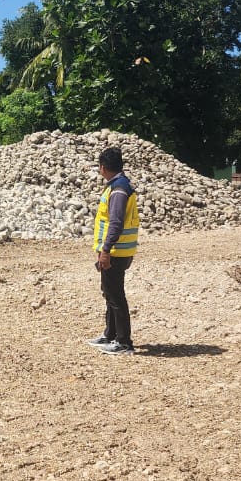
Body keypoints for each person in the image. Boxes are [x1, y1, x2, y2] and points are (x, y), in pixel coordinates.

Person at [86, 147, 139, 355]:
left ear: (102, 167)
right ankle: (110, 335)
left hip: (116, 251)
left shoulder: (118, 189)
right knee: (109, 293)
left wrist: (106, 250)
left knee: (116, 295)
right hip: (117, 250)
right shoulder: (119, 185)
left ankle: (124, 342)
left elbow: (115, 222)